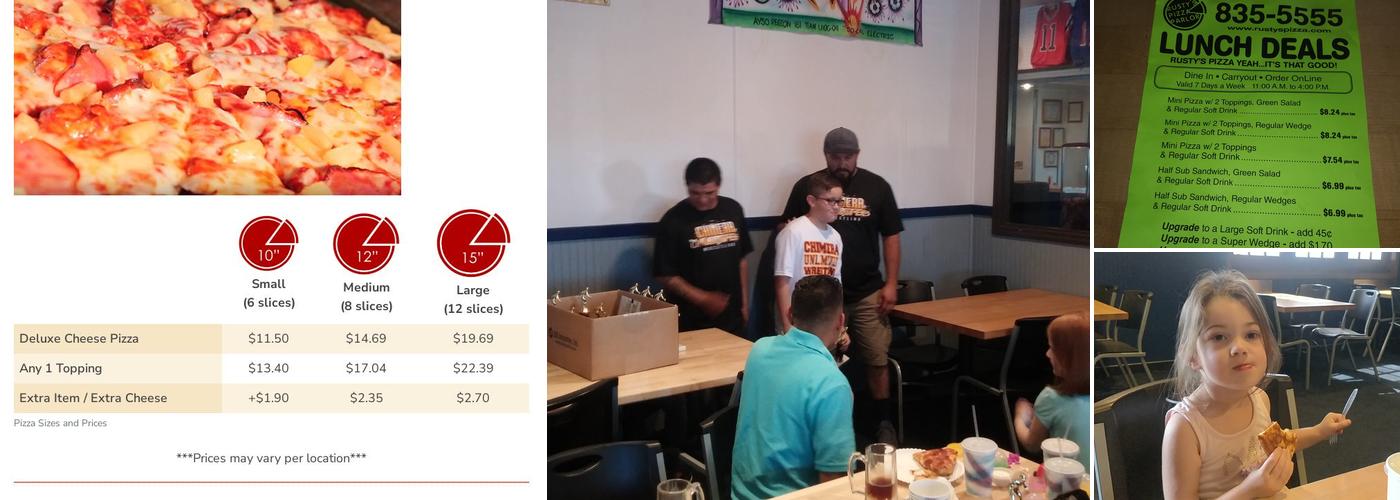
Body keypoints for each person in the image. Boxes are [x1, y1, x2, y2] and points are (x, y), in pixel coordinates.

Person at [1162, 270, 1353, 500]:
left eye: (1251, 335)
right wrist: (1250, 489)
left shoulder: (1260, 398)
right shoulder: (1185, 428)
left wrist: (1320, 430)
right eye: (1219, 337)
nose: (1239, 347)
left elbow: (1280, 443)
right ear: (1192, 356)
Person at [780, 126, 903, 444]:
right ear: (826, 156)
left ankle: (883, 422)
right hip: (819, 299)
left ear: (857, 155)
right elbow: (786, 228)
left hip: (866, 291)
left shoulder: (877, 187)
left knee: (876, 358)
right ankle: (828, 426)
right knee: (821, 362)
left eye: (848, 156)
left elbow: (891, 235)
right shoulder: (808, 186)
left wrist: (891, 283)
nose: (842, 162)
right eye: (836, 156)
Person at [731, 275, 856, 500]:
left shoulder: (759, 350)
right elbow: (834, 485)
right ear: (840, 321)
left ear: (789, 314)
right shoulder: (832, 383)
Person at [654, 158, 754, 336]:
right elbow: (665, 274)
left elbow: (741, 260)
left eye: (709, 193)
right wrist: (704, 299)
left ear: (719, 186)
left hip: (733, 315)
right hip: (690, 319)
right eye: (695, 193)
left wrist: (745, 304)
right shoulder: (672, 220)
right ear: (687, 186)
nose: (702, 199)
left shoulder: (733, 209)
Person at [1013, 312, 1091, 469]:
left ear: (1068, 357)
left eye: (1052, 348)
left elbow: (1032, 444)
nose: (1047, 354)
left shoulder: (1051, 398)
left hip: (1064, 477)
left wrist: (1020, 417)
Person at [773, 172, 843, 335]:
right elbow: (782, 281)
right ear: (811, 201)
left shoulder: (835, 237)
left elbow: (837, 284)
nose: (836, 206)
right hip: (797, 316)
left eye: (839, 201)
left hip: (824, 318)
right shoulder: (793, 232)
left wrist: (839, 324)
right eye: (830, 201)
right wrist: (787, 325)